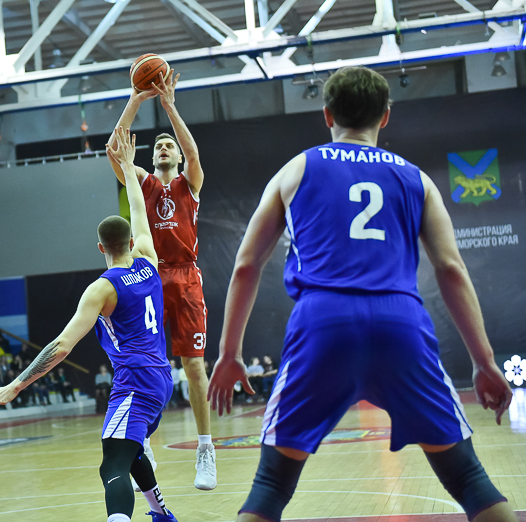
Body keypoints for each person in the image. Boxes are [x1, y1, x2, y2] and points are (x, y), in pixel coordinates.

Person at [207, 66, 516, 522]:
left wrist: (229, 353)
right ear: (385, 116)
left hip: (323, 322)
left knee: (271, 487)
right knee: (469, 479)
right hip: (400, 323)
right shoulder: (416, 179)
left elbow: (246, 265)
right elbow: (451, 269)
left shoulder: (296, 170)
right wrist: (485, 361)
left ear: (327, 114)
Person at [0, 127, 178, 522]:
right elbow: (139, 208)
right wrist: (127, 167)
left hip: (135, 381)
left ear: (100, 247)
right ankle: (161, 514)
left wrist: (16, 385)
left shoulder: (102, 289)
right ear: (130, 242)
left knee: (112, 463)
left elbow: (62, 346)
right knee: (130, 448)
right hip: (161, 378)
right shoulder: (148, 258)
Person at [107, 69, 216, 490]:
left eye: (169, 145)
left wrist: (169, 104)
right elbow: (115, 151)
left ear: (178, 157)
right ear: (152, 159)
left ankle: (205, 450)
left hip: (186, 276)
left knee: (194, 365)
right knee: (146, 363)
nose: (165, 148)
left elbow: (193, 151)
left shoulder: (190, 183)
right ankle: (144, 444)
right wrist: (136, 100)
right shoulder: (144, 182)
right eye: (158, 146)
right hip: (148, 274)